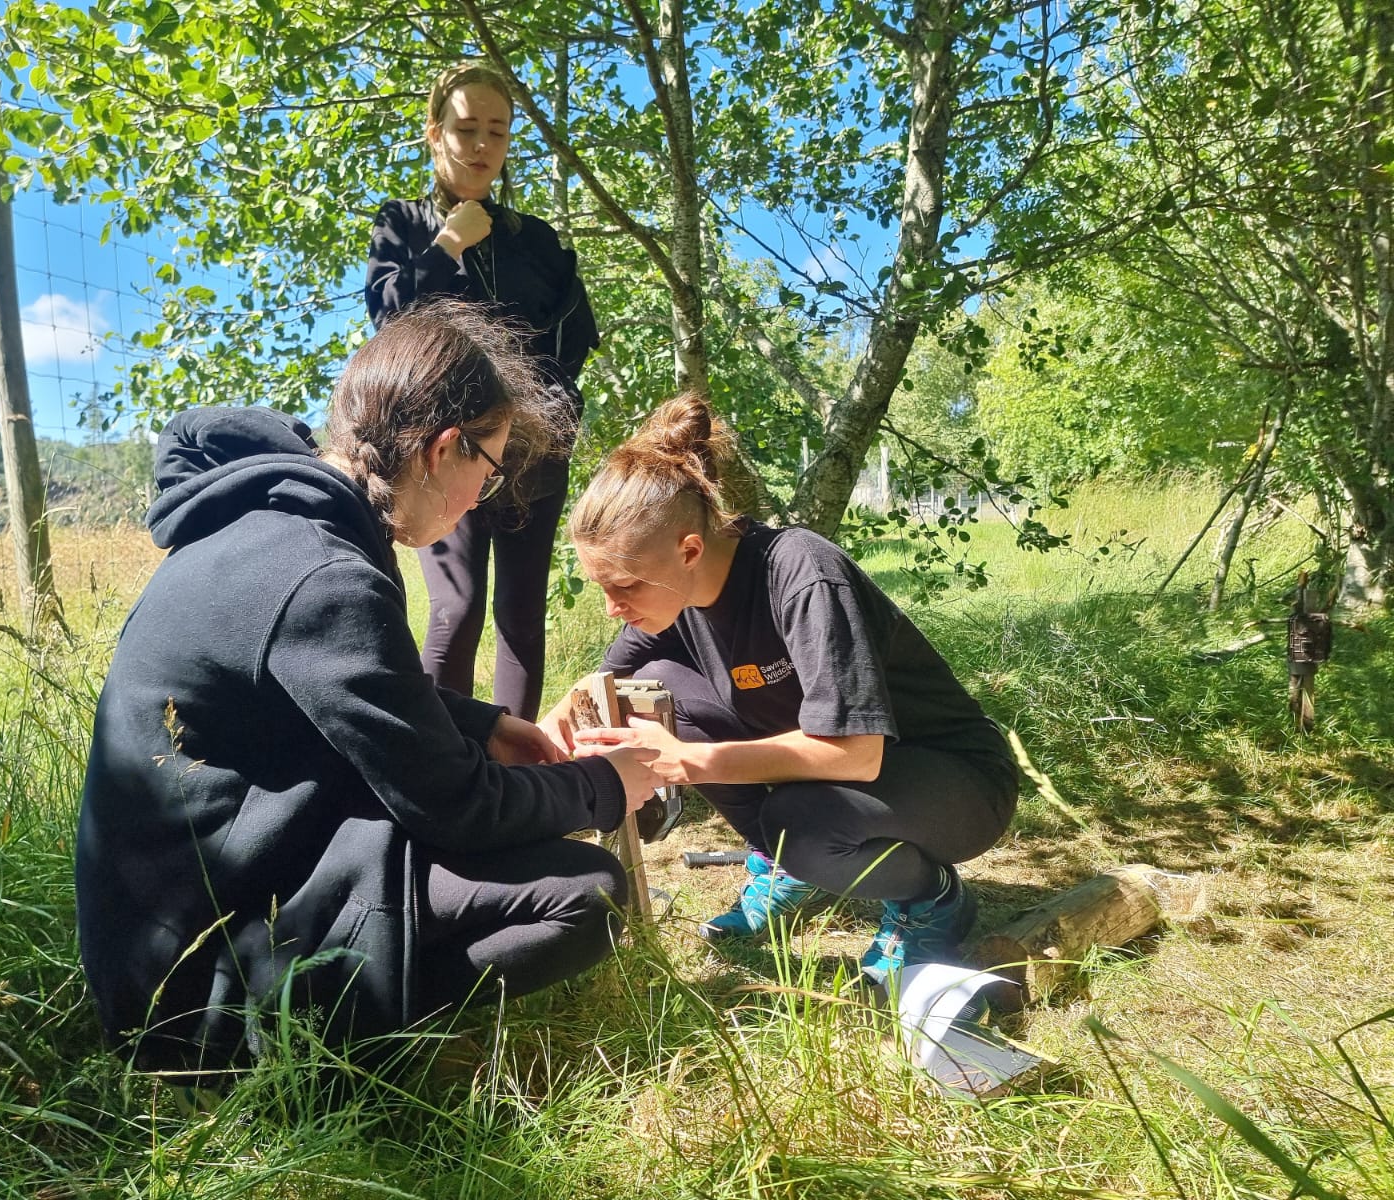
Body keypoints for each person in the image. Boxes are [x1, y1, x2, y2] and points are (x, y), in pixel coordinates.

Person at [76, 301, 659, 1079]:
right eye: (488, 471)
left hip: (166, 926)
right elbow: (456, 807)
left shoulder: (274, 524)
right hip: (193, 990)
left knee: (497, 833)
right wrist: (605, 786)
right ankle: (312, 1056)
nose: (480, 499)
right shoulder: (325, 576)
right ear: (443, 450)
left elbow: (334, 689)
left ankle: (348, 1013)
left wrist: (485, 727)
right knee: (585, 894)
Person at [540, 395, 1018, 981]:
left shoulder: (800, 574)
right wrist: (559, 715)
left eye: (624, 587)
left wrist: (688, 761)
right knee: (663, 687)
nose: (613, 608)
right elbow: (605, 678)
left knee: (800, 825)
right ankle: (788, 866)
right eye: (602, 588)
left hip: (954, 780)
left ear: (689, 550)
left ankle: (930, 898)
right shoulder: (672, 594)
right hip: (857, 779)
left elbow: (856, 755)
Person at [365, 60, 599, 721]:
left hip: (533, 450)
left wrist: (541, 418)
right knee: (458, 605)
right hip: (443, 445)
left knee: (521, 612)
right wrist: (447, 245)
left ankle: (516, 761)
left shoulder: (537, 241)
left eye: (497, 131)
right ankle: (446, 761)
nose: (481, 145)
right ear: (434, 133)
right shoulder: (403, 225)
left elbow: (575, 337)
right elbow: (390, 322)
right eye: (466, 128)